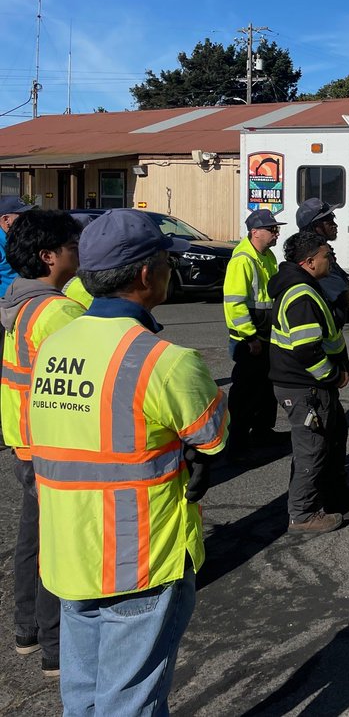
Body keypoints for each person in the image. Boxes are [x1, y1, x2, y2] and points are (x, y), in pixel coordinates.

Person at [27, 208, 228, 715]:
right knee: (130, 699)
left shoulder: (54, 346)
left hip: (69, 550)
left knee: (85, 694)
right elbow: (212, 436)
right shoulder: (166, 360)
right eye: (165, 260)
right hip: (138, 558)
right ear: (146, 273)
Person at [0, 210, 85, 677]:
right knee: (59, 547)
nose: (79, 250)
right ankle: (55, 647)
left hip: (24, 442)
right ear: (48, 256)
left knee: (33, 539)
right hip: (52, 446)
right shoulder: (60, 312)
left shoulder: (20, 302)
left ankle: (27, 630)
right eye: (73, 245)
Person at [269, 230, 349, 534]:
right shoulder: (301, 295)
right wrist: (331, 375)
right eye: (325, 255)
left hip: (311, 386)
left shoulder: (304, 286)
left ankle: (334, 494)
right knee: (312, 448)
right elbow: (306, 350)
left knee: (332, 438)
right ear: (309, 262)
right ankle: (303, 514)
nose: (330, 258)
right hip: (305, 387)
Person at [223, 209, 286, 454]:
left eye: (276, 228)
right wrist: (249, 336)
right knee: (245, 393)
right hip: (250, 340)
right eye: (271, 229)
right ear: (254, 232)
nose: (276, 233)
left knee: (264, 389)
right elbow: (235, 304)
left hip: (264, 335)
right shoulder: (243, 260)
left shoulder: (267, 256)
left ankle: (262, 432)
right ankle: (236, 445)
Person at [295, 198, 349, 328]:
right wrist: (347, 288)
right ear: (315, 226)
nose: (335, 225)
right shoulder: (315, 256)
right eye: (329, 221)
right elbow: (343, 294)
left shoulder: (322, 251)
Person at [0, 195, 34, 298]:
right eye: (22, 216)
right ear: (6, 220)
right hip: (6, 306)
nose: (27, 221)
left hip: (25, 300)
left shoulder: (19, 237)